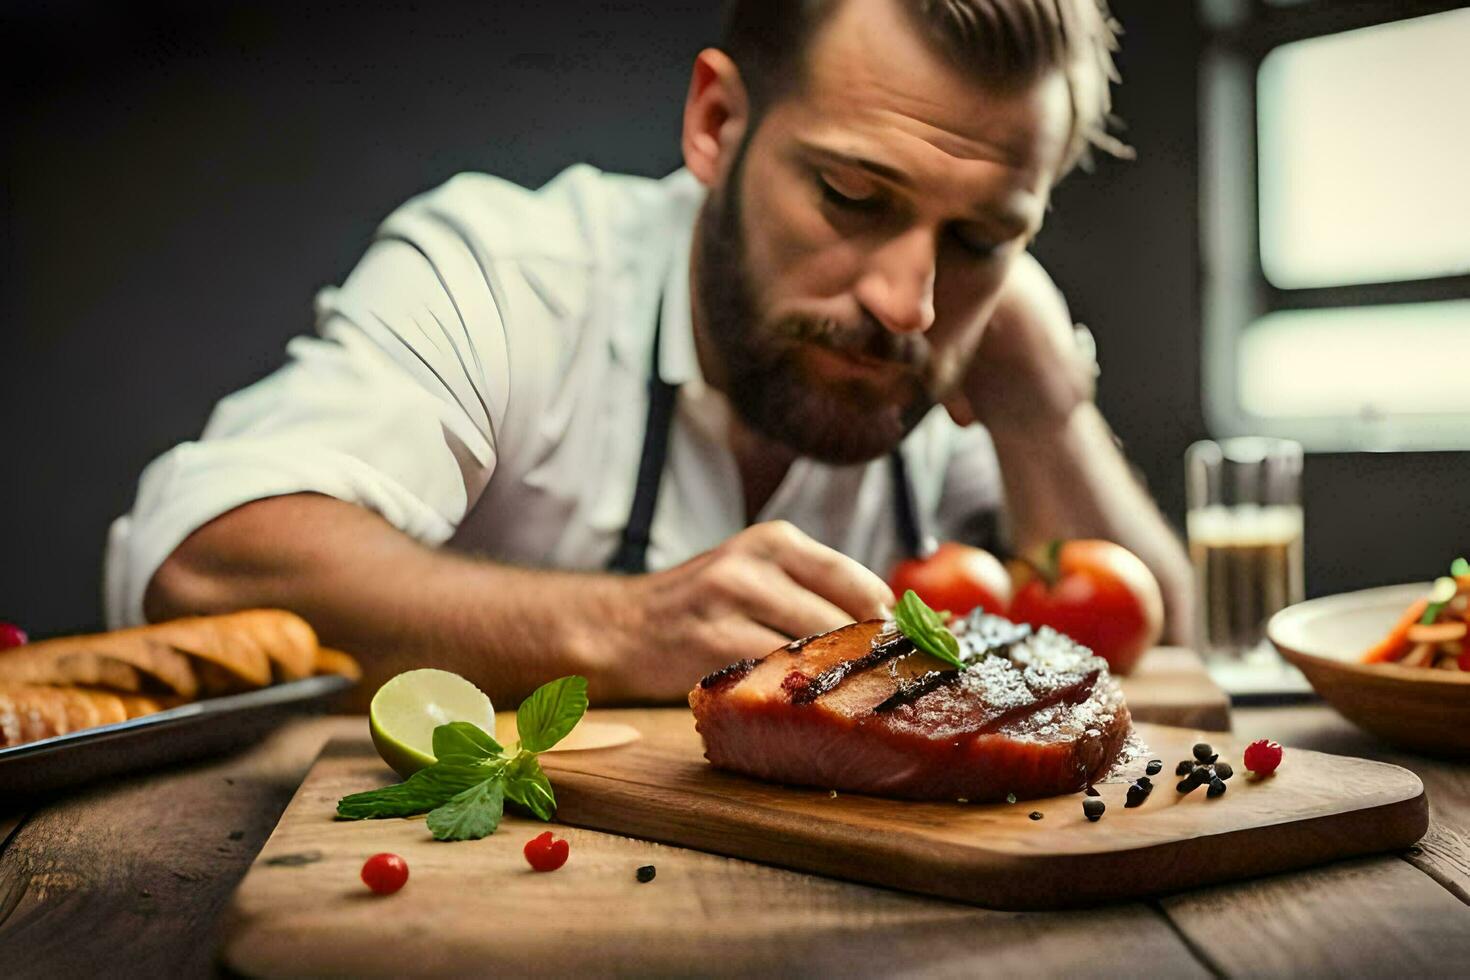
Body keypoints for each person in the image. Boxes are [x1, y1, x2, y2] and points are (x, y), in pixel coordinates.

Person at [107, 0, 1193, 705]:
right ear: (717, 123)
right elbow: (203, 560)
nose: (906, 303)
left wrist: (1048, 410)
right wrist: (617, 628)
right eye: (854, 197)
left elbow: (1168, 652)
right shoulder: (508, 273)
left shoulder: (968, 341)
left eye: (981, 235)